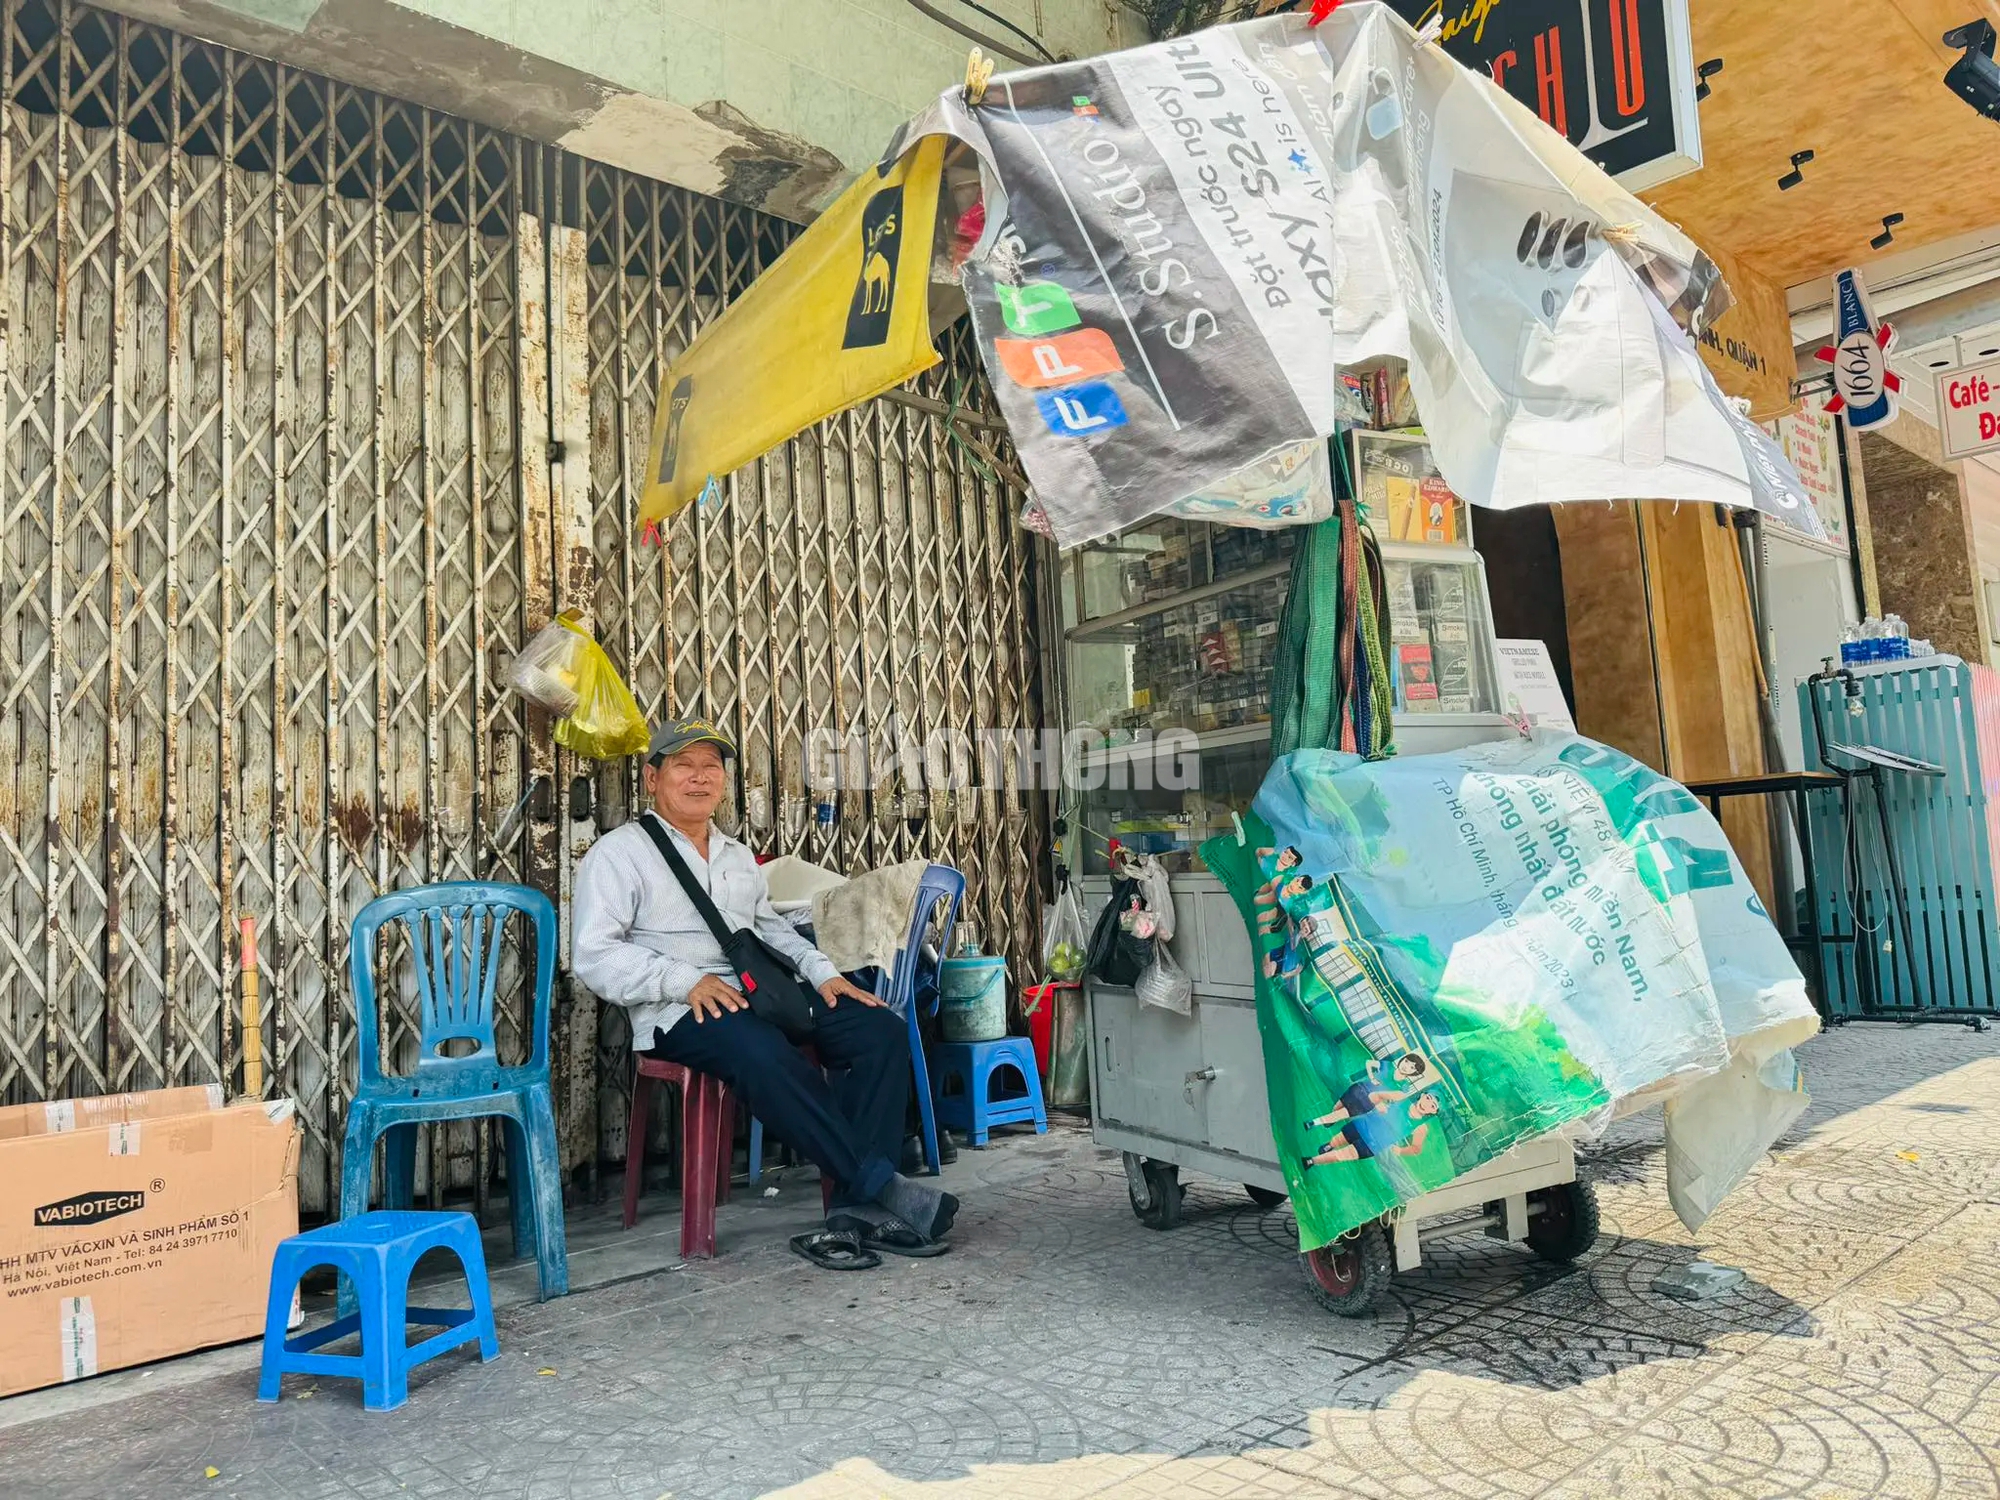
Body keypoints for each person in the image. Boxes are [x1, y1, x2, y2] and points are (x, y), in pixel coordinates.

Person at [572, 715, 957, 1270]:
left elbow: (771, 930)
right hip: (676, 1010)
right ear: (653, 778)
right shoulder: (619, 855)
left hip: (756, 995)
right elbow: (594, 954)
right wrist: (684, 980)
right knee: (762, 1051)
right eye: (684, 766)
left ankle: (852, 1213)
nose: (700, 778)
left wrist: (825, 975)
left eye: (712, 767)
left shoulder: (734, 856)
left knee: (879, 1031)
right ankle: (879, 1184)